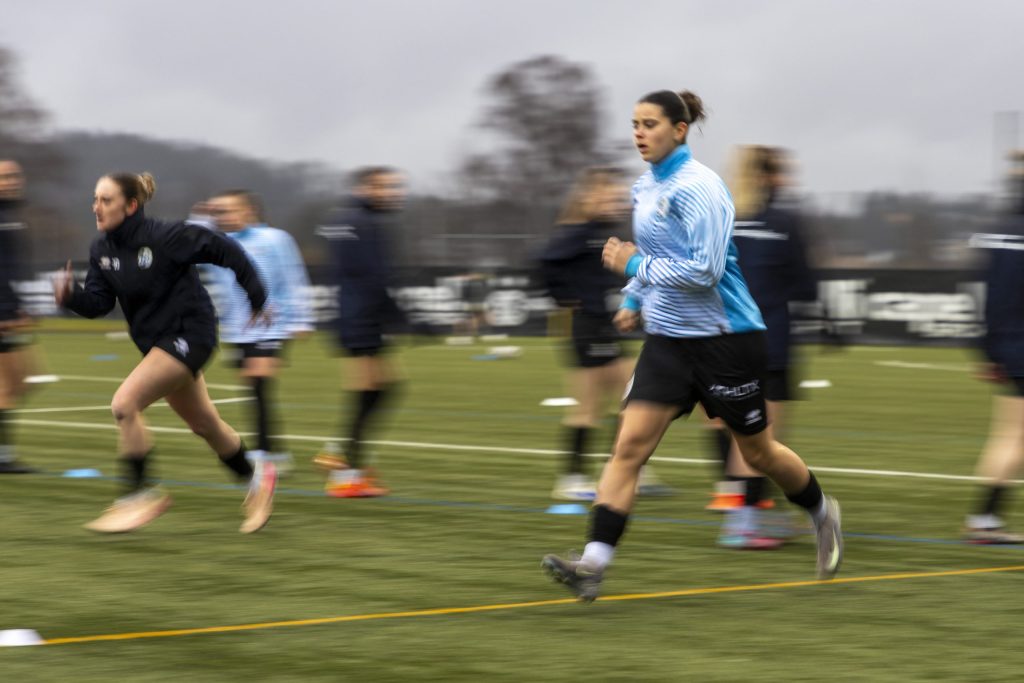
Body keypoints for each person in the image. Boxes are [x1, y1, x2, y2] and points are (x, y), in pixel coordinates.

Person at [542, 90, 842, 602]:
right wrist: (635, 297)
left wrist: (632, 266)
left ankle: (820, 511)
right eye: (635, 124)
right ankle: (592, 563)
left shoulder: (702, 188)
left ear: (679, 130)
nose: (639, 133)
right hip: (668, 343)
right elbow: (657, 255)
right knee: (628, 447)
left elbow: (705, 271)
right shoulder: (644, 187)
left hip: (727, 342)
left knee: (758, 452)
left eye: (650, 124)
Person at [53, 171, 277, 534]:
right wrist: (72, 297)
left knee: (124, 404)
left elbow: (225, 249)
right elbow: (99, 303)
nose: (96, 207)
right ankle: (257, 479)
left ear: (131, 206)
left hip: (191, 335)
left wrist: (257, 295)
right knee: (205, 424)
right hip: (158, 346)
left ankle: (137, 495)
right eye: (95, 199)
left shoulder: (166, 236)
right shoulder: (102, 250)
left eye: (106, 200)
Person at [713, 146, 818, 548]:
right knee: (764, 439)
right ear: (765, 176)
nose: (784, 180)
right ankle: (743, 524)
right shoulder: (784, 221)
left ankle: (750, 516)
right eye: (779, 172)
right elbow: (806, 285)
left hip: (724, 339)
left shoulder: (723, 218)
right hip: (770, 342)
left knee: (747, 435)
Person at [540, 167, 633, 501]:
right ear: (590, 198)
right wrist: (564, 298)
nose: (617, 203)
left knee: (633, 397)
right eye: (610, 198)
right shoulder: (577, 232)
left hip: (604, 326)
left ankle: (622, 468)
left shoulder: (599, 232)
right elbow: (544, 261)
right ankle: (572, 478)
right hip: (585, 327)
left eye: (619, 198)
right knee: (589, 407)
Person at [314, 167, 406, 497]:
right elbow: (373, 275)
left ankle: (345, 462)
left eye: (395, 187)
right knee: (373, 390)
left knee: (379, 388)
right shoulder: (363, 222)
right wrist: (398, 315)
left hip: (355, 313)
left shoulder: (345, 219)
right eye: (385, 187)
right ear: (364, 188)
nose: (394, 193)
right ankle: (343, 464)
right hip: (362, 315)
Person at [208, 190, 314, 474]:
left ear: (249, 210)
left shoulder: (275, 239)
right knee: (255, 388)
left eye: (231, 210)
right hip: (237, 329)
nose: (225, 216)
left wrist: (301, 319)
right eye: (220, 211)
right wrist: (201, 218)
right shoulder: (218, 242)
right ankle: (276, 452)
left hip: (271, 323)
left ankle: (264, 452)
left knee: (258, 381)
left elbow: (293, 278)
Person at [963, 152, 1024, 544]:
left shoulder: (995, 232)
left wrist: (986, 351)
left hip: (1006, 346)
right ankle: (984, 519)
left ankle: (984, 518)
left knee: (1008, 435)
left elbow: (982, 294)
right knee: (1015, 438)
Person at [0, 159, 39, 474]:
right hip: (2, 312)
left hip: (10, 309)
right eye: (4, 177)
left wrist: (22, 306)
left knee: (22, 381)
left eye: (14, 175)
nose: (11, 181)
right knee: (8, 385)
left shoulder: (13, 216)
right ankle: (3, 458)